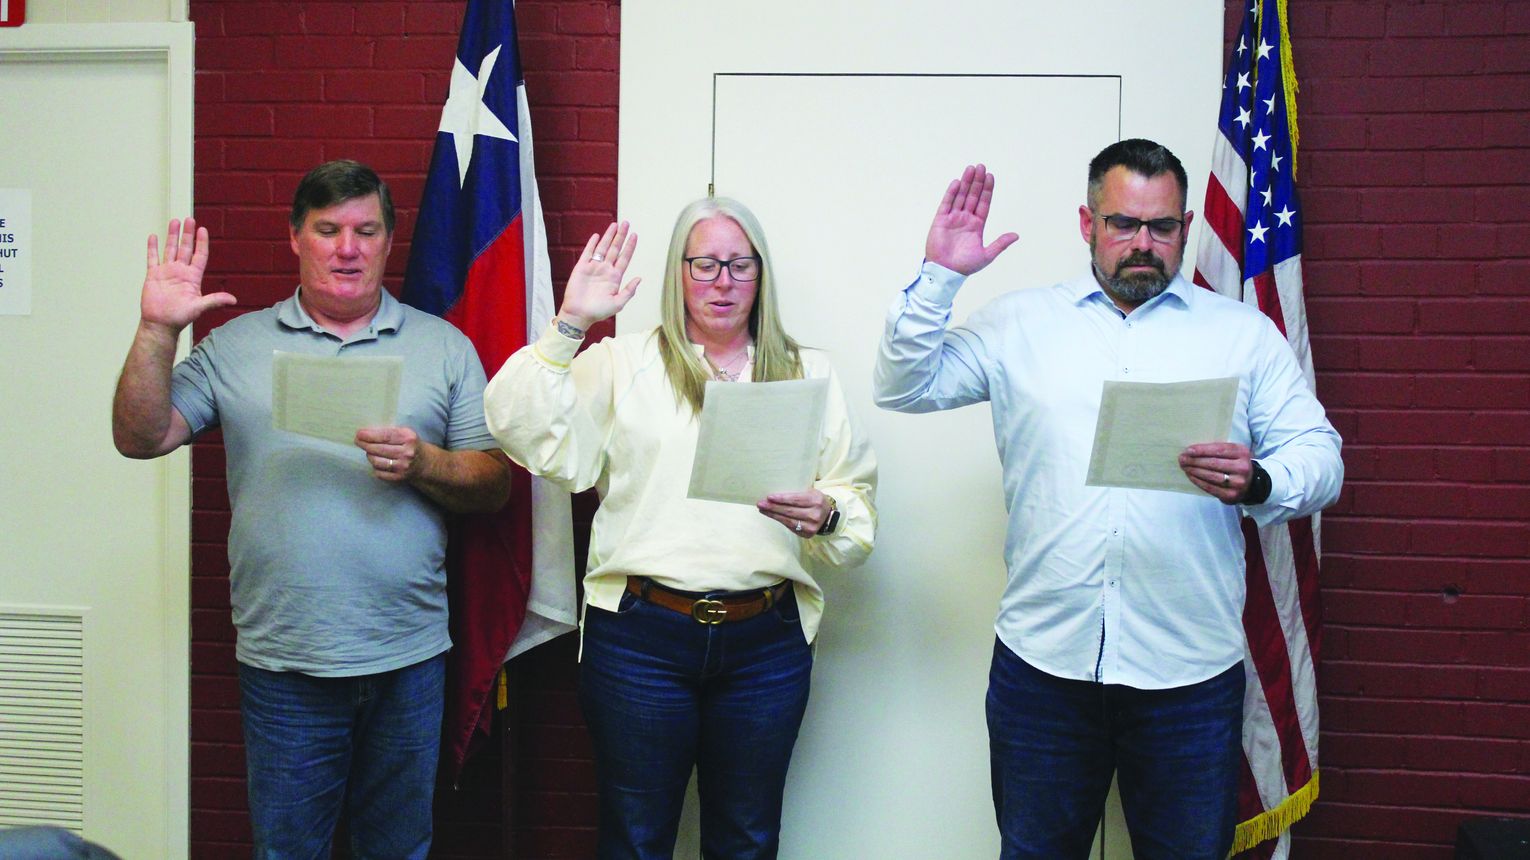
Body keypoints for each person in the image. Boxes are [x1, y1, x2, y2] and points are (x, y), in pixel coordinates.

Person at [873, 139, 1343, 860]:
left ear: (1186, 229)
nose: (1143, 245)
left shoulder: (1241, 337)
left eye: (1161, 227)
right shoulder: (1019, 324)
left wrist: (1260, 481)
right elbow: (904, 385)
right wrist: (940, 275)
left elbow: (1322, 457)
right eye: (1123, 223)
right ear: (1087, 224)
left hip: (1187, 676)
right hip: (1044, 672)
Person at [111, 160, 511, 859]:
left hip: (408, 659)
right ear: (296, 237)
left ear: (389, 241)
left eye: (366, 230)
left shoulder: (443, 347)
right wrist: (155, 330)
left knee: (398, 850)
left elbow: (495, 483)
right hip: (285, 663)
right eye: (327, 230)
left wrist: (426, 463)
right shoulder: (235, 346)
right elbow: (140, 437)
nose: (347, 248)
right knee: (288, 850)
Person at [484, 198, 876, 859]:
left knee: (747, 840)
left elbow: (853, 502)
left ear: (761, 275)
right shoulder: (621, 363)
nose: (722, 281)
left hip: (765, 645)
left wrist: (828, 513)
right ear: (677, 274)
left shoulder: (808, 373)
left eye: (739, 264)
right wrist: (569, 324)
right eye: (704, 265)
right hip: (640, 640)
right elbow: (523, 429)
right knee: (636, 841)